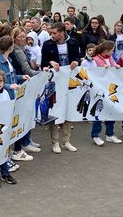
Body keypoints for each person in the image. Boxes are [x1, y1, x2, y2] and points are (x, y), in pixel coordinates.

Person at [40, 22, 80, 153]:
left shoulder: (73, 42)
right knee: (55, 109)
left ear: (62, 33)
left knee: (69, 110)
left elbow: (77, 58)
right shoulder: (47, 44)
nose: (52, 35)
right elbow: (43, 64)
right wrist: (50, 63)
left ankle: (66, 141)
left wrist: (76, 62)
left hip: (69, 81)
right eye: (51, 33)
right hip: (55, 82)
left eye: (54, 33)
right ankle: (55, 142)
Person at [90, 41, 122, 147]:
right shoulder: (95, 60)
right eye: (112, 50)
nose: (113, 52)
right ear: (107, 50)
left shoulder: (110, 57)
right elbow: (93, 74)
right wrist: (102, 70)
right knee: (98, 112)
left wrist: (116, 67)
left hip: (110, 89)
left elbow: (113, 66)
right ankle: (95, 135)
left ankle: (110, 134)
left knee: (111, 111)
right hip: (99, 90)